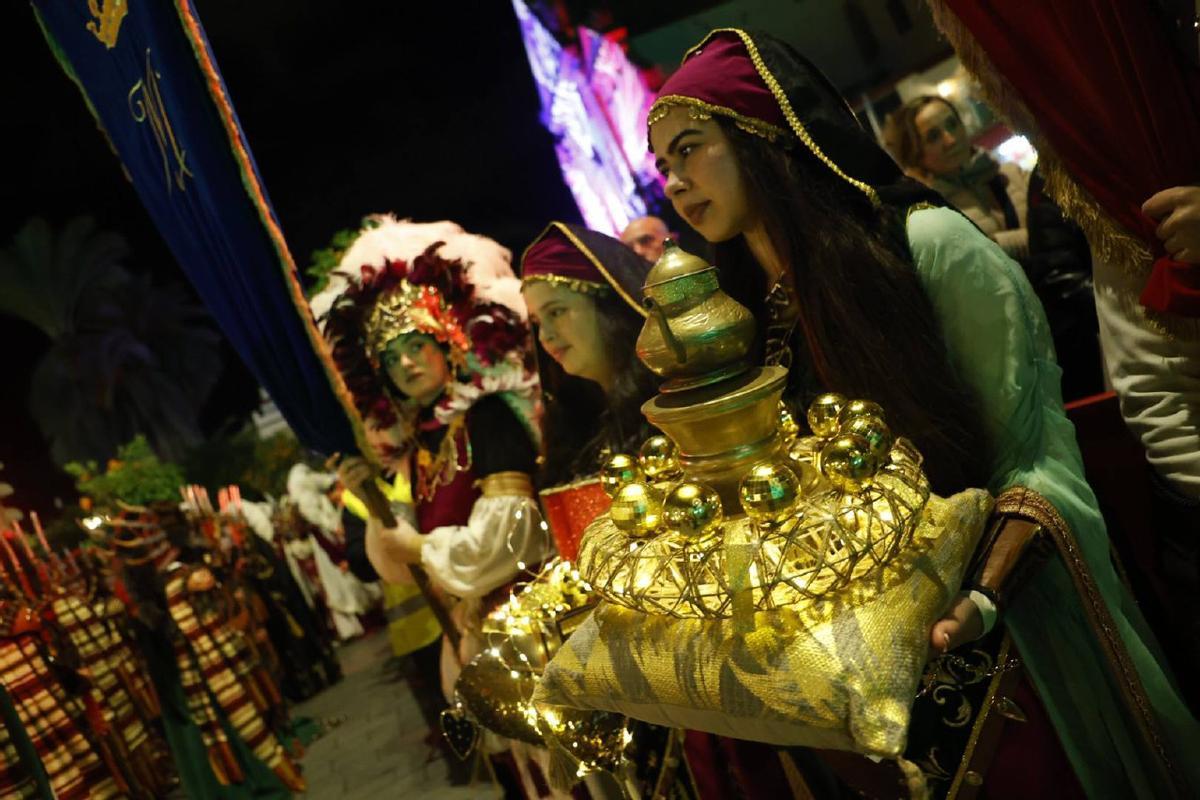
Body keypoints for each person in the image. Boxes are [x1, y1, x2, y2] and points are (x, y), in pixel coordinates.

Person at [647, 28, 1199, 798]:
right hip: (865, 699)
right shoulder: (749, 323)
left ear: (765, 133)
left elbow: (1035, 456)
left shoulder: (927, 247)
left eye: (691, 146)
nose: (673, 180)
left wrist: (981, 594)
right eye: (663, 164)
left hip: (1006, 653)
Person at [316, 216, 557, 796]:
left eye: (415, 346)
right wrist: (375, 508)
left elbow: (513, 533)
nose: (405, 364)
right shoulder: (424, 446)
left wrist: (421, 546)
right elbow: (401, 562)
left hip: (534, 636)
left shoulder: (490, 416)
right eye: (391, 357)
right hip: (481, 643)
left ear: (448, 341)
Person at [520, 221, 658, 486]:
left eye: (556, 312)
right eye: (537, 321)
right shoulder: (572, 426)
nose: (544, 336)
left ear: (609, 310)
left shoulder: (673, 409)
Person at [883, 95, 1030, 259]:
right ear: (914, 154)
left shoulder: (1011, 174)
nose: (950, 140)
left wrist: (996, 244)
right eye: (933, 136)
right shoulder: (928, 214)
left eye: (952, 124)